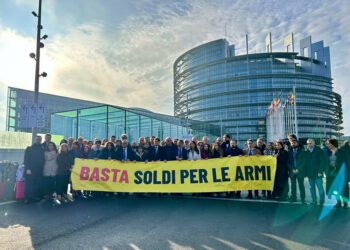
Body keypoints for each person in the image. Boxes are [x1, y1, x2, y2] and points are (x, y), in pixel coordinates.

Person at [326, 139, 349, 208]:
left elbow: (347, 163)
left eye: (329, 144)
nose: (328, 145)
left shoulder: (342, 152)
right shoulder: (329, 152)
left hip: (341, 173)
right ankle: (338, 202)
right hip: (332, 174)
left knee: (344, 189)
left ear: (333, 144)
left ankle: (345, 204)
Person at [304, 139, 327, 206]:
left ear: (314, 143)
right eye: (308, 143)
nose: (309, 144)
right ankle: (314, 200)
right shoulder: (307, 152)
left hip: (318, 173)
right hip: (310, 173)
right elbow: (305, 163)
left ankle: (322, 201)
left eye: (310, 143)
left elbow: (322, 162)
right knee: (312, 188)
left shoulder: (319, 151)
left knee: (320, 187)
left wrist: (320, 171)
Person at [23, 135, 45, 203]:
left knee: (36, 184)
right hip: (30, 170)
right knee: (28, 184)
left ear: (41, 141)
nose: (38, 140)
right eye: (37, 139)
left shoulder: (42, 149)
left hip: (39, 170)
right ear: (35, 140)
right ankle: (26, 198)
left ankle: (33, 197)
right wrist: (27, 169)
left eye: (39, 139)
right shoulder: (29, 148)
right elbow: (26, 160)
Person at [288, 138, 306, 203]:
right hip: (292, 171)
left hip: (300, 171)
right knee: (293, 186)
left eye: (294, 143)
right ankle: (293, 198)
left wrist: (298, 169)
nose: (293, 144)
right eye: (292, 143)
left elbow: (304, 162)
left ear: (297, 144)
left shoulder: (302, 151)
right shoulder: (289, 152)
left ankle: (303, 199)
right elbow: (288, 162)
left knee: (301, 185)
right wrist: (292, 169)